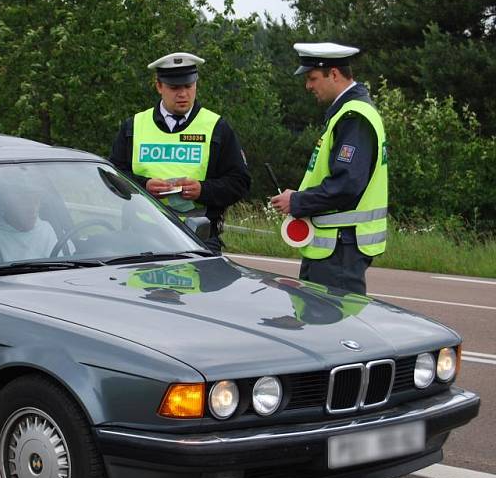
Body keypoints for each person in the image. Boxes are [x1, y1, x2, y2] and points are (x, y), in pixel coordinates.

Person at [270, 42, 388, 295]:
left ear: (333, 74)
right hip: (334, 246)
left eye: (312, 78)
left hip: (339, 248)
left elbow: (347, 185)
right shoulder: (346, 113)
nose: (308, 86)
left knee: (332, 326)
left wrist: (298, 201)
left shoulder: (353, 117)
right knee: (317, 322)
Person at [109, 52, 250, 253]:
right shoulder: (133, 127)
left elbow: (240, 182)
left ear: (196, 84)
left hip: (198, 238)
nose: (183, 94)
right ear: (159, 86)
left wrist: (202, 190)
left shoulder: (217, 127)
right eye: (174, 88)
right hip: (141, 239)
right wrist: (144, 186)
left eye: (188, 86)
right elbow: (112, 177)